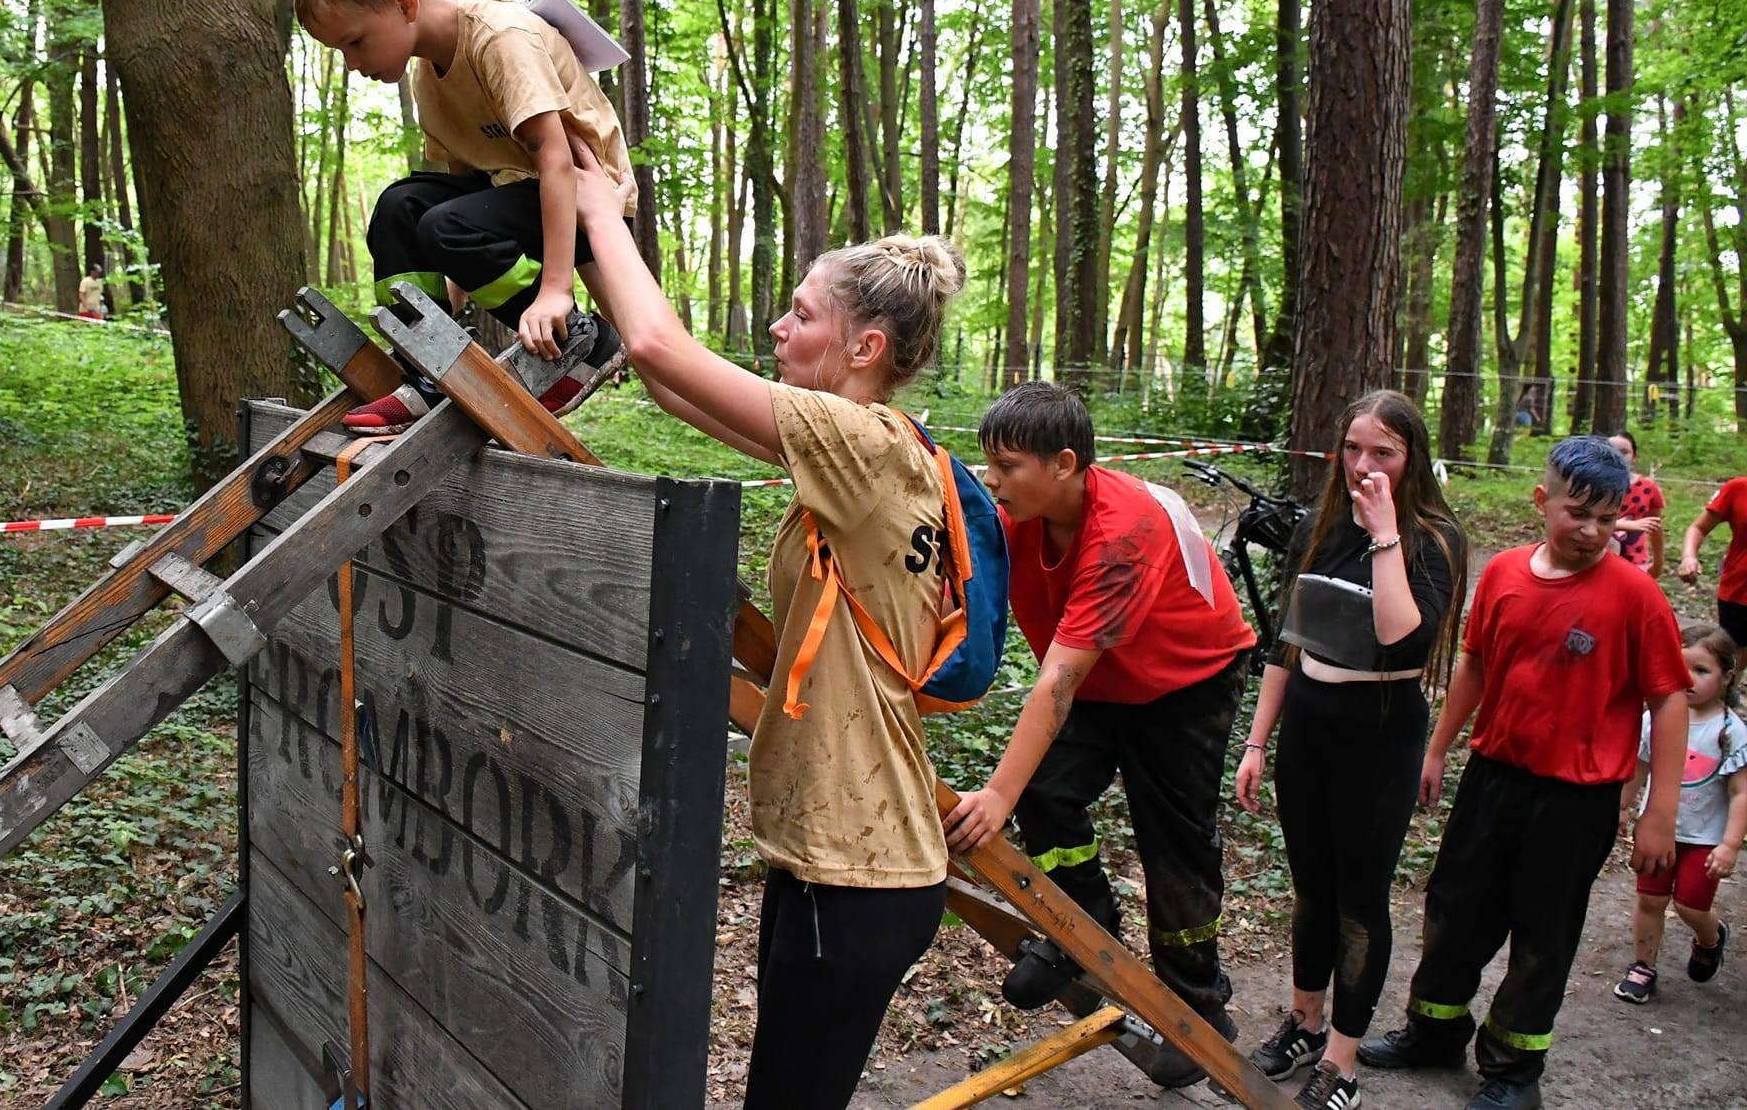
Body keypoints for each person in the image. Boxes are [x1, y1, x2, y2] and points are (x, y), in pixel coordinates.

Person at [567, 146, 964, 1108]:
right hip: (837, 851)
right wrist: (585, 245)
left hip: (864, 866)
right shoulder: (857, 447)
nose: (779, 328)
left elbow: (667, 352)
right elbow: (671, 384)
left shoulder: (863, 445)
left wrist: (598, 210)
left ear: (865, 347)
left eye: (802, 314)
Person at [1359, 437, 1690, 1110]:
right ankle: (1434, 1030)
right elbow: (1476, 664)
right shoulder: (1505, 573)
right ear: (1544, 502)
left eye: (1608, 516)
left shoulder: (1636, 596)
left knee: (1543, 929)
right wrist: (1438, 747)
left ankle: (1513, 1069)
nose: (1594, 530)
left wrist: (1661, 809)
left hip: (1577, 798)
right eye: (1579, 513)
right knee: (1454, 908)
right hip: (1493, 778)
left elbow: (1671, 697)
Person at [942, 381, 1256, 1090]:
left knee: (1172, 841)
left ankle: (1199, 1008)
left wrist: (994, 790)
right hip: (1100, 676)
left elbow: (1056, 682)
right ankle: (1083, 926)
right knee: (1048, 793)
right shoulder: (1014, 517)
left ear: (1064, 463)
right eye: (988, 462)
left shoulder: (1123, 532)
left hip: (1185, 681)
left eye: (1010, 465)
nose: (994, 479)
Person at [294, 0, 631, 432]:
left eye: (355, 42)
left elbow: (557, 159)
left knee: (444, 225)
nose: (351, 63)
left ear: (405, 4)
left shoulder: (500, 38)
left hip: (585, 199)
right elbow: (459, 199)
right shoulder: (427, 81)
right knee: (399, 207)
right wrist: (438, 317)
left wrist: (556, 289)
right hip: (513, 201)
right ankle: (427, 369)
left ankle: (580, 339)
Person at [1234, 390, 1467, 1110]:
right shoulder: (1321, 524)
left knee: (1360, 902)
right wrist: (1255, 740)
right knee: (1311, 888)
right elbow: (1287, 638)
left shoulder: (1434, 537)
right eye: (1355, 447)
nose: (1365, 464)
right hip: (1309, 721)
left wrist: (1386, 531)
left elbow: (1405, 635)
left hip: (1381, 729)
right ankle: (1304, 1019)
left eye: (1384, 453)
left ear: (1411, 459)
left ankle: (1343, 1057)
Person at [1612, 621, 1746, 1004]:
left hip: (1705, 838)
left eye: (1702, 670)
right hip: (1660, 831)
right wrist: (1622, 808)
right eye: (1681, 665)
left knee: (1690, 904)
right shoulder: (1654, 718)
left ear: (1726, 677)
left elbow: (1741, 793)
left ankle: (1710, 936)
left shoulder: (1731, 731)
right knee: (1650, 900)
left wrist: (1730, 845)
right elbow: (1638, 768)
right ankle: (1643, 966)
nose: (1689, 678)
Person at [1677, 475, 1747, 647]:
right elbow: (1699, 527)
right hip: (1739, 592)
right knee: (1735, 659)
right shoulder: (1738, 488)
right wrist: (1689, 556)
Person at [1607, 430, 1664, 578]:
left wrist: (1658, 561)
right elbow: (1587, 521)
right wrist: (1627, 525)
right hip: (1599, 558)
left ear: (1634, 457)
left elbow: (1655, 526)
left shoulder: (1648, 487)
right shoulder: (1593, 486)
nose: (1618, 456)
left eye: (1624, 452)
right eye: (1612, 451)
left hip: (1636, 561)